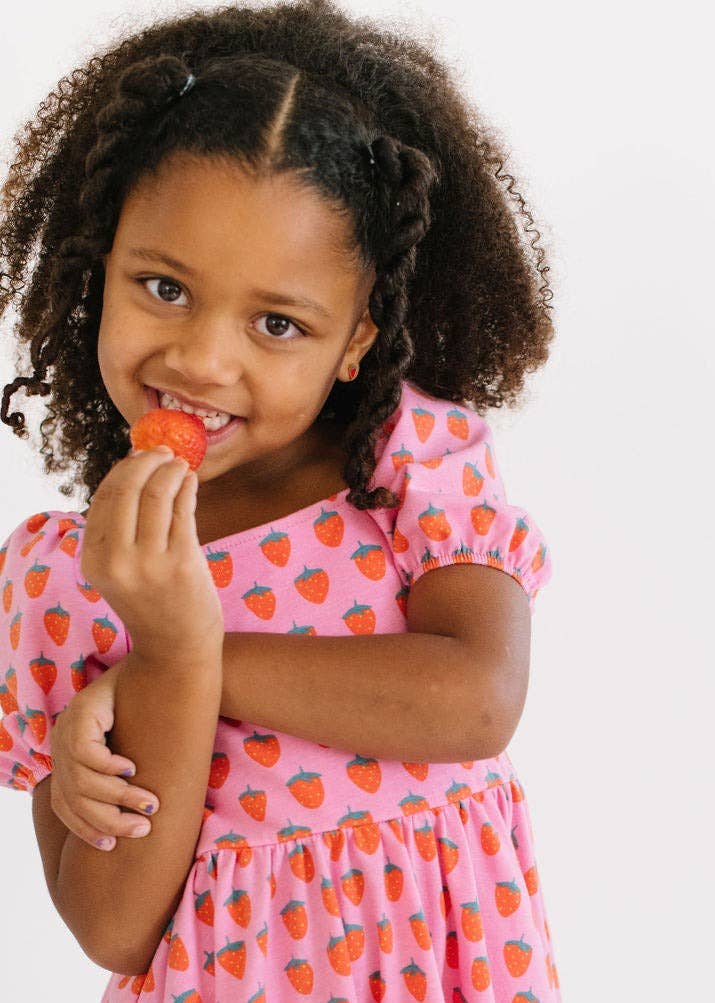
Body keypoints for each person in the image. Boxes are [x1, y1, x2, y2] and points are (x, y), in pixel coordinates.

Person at [0, 1, 560, 999]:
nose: (204, 359)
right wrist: (162, 651)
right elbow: (113, 926)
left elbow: (474, 700)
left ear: (355, 339)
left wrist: (178, 663)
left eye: (276, 322)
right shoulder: (62, 580)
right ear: (100, 267)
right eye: (163, 288)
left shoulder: (409, 464)